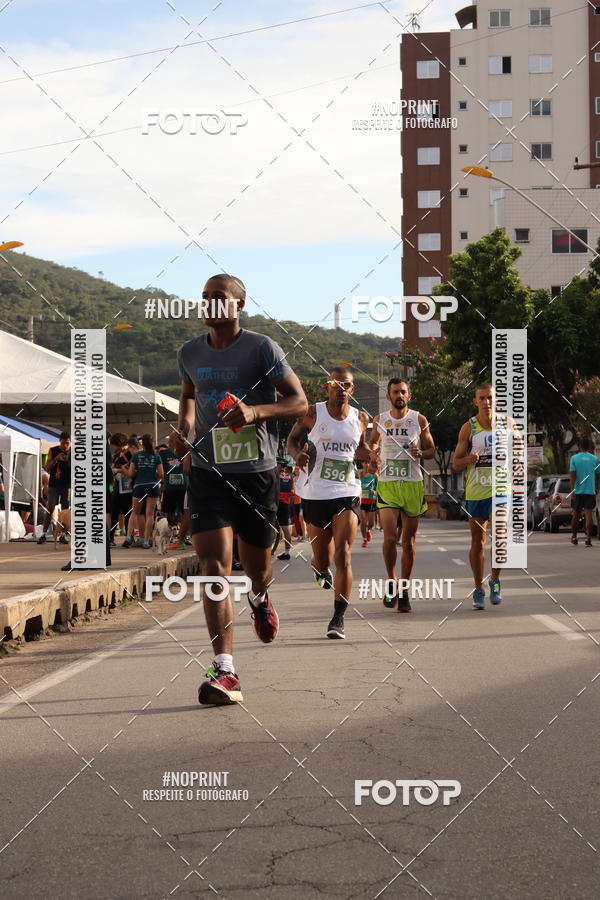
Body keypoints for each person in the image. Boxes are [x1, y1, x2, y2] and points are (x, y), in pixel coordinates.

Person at [175, 273, 307, 706]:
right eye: (205, 297)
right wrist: (185, 427)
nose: (210, 303)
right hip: (209, 473)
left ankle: (260, 594)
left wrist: (254, 412)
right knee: (213, 566)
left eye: (219, 297)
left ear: (238, 306)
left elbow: (298, 402)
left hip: (256, 473)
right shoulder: (189, 352)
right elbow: (190, 394)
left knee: (257, 567)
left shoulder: (261, 348)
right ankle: (225, 668)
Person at [288, 367, 369, 639]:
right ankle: (319, 568)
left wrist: (370, 456)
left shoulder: (361, 418)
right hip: (315, 494)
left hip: (347, 490)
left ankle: (338, 618)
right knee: (322, 559)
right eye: (335, 384)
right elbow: (292, 439)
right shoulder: (312, 413)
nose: (340, 388)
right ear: (326, 387)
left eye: (346, 384)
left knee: (343, 554)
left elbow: (361, 449)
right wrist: (297, 454)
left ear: (352, 389)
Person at [369, 380, 435, 612]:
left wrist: (421, 452)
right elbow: (372, 445)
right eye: (396, 392)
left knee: (408, 542)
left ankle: (404, 590)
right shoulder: (380, 420)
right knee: (389, 538)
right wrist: (373, 458)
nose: (400, 395)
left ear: (409, 395)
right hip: (388, 484)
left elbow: (432, 450)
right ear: (389, 396)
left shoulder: (419, 419)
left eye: (403, 392)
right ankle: (392, 580)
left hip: (412, 485)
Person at [452, 383, 519, 609]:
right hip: (476, 490)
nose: (486, 402)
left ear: (496, 400)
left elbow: (519, 452)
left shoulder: (509, 424)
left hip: (500, 488)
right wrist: (468, 460)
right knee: (478, 542)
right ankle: (478, 589)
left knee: (499, 536)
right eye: (482, 398)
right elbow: (455, 464)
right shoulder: (468, 428)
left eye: (490, 398)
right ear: (475, 401)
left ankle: (496, 580)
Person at [124, 434, 163, 549]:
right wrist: (152, 473)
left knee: (134, 513)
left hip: (139, 486)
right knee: (149, 514)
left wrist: (139, 471)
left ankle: (128, 537)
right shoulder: (157, 456)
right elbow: (161, 474)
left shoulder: (136, 456)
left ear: (142, 444)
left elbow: (131, 474)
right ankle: (146, 541)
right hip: (153, 486)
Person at [38, 432, 71, 544]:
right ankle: (43, 534)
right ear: (59, 441)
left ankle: (63, 535)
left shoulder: (73, 452)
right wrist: (56, 459)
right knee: (50, 509)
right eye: (63, 443)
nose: (65, 446)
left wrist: (69, 460)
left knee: (66, 511)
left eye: (67, 443)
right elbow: (47, 468)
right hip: (54, 484)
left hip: (67, 485)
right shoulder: (53, 450)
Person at [569, 436, 600, 547]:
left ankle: (574, 536)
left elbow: (572, 476)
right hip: (590, 491)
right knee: (589, 515)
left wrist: (572, 491)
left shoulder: (574, 458)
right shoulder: (594, 459)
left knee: (576, 514)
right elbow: (598, 475)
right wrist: (597, 488)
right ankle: (588, 539)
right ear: (589, 447)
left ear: (579, 446)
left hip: (578, 491)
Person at [159, 433, 188, 529]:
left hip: (184, 487)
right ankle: (171, 530)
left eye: (172, 441)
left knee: (184, 512)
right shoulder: (163, 453)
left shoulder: (186, 451)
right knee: (169, 513)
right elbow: (161, 469)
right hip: (169, 488)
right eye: (170, 441)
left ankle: (183, 533)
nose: (169, 442)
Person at [109, 433, 133, 544]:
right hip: (116, 486)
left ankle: (129, 537)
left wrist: (119, 470)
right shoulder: (117, 453)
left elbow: (132, 468)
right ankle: (110, 537)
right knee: (114, 512)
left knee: (127, 512)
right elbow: (113, 466)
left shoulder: (130, 453)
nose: (115, 448)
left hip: (128, 486)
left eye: (116, 445)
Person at [275, 461, 295, 560]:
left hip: (275, 502)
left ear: (279, 465)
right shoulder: (290, 476)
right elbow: (292, 492)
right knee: (286, 528)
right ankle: (287, 553)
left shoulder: (275, 474)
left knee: (267, 525)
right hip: (285, 504)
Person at [359, 461, 377, 547]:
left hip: (371, 501)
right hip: (362, 501)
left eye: (368, 462)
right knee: (363, 521)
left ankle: (368, 531)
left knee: (371, 523)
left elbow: (380, 488)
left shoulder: (374, 476)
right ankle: (364, 540)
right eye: (364, 462)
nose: (366, 464)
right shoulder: (360, 475)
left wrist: (375, 491)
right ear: (362, 464)